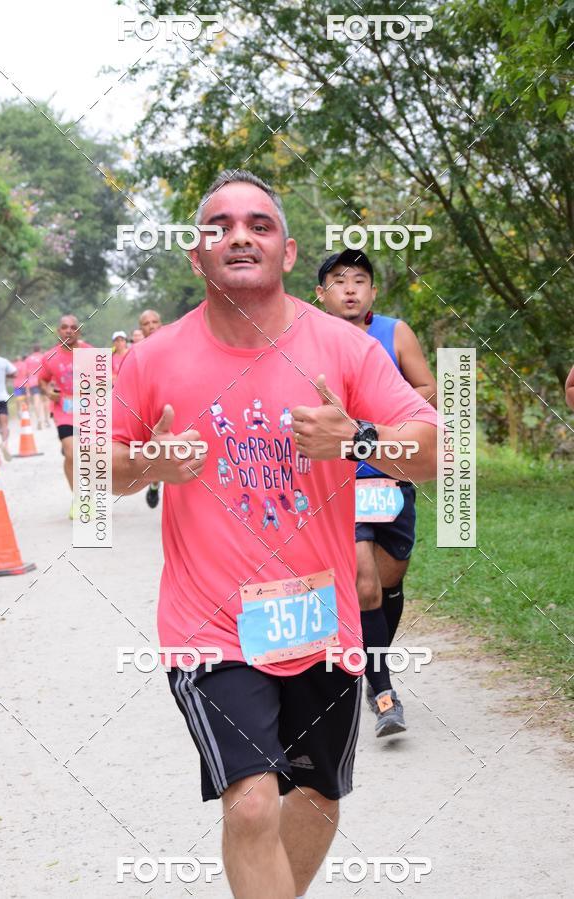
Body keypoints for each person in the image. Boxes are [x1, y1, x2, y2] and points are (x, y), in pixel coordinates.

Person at [112, 170, 437, 899]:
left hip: (319, 619)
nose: (239, 235)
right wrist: (143, 462)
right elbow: (91, 473)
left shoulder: (347, 349)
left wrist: (359, 437)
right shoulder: (153, 356)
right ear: (196, 255)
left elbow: (438, 448)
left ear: (287, 252)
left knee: (318, 797)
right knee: (253, 799)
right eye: (219, 225)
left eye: (259, 225)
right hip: (211, 625)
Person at [316, 248, 437, 738]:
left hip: (392, 470)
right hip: (341, 478)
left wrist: (382, 416)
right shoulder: (306, 339)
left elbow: (426, 387)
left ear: (372, 291)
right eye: (339, 280)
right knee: (364, 583)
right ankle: (383, 687)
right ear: (321, 293)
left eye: (360, 280)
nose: (350, 288)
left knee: (387, 583)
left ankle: (372, 656)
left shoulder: (395, 332)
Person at [38, 315, 92, 518]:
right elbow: (42, 381)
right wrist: (48, 393)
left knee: (86, 455)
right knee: (71, 453)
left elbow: (108, 379)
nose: (69, 331)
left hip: (89, 411)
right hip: (65, 411)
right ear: (58, 331)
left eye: (73, 327)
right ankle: (79, 499)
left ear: (79, 331)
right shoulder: (50, 357)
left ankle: (88, 492)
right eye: (64, 327)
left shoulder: (90, 352)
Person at [137, 309, 163, 508]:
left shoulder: (172, 346)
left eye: (155, 321)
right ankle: (154, 484)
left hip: (171, 404)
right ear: (141, 328)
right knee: (156, 450)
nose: (152, 326)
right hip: (148, 407)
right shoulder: (137, 353)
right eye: (147, 323)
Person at [25, 344, 50, 429]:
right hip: (43, 381)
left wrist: (27, 387)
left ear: (33, 350)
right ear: (40, 349)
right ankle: (46, 420)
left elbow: (26, 373)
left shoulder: (28, 359)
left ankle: (39, 419)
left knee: (36, 401)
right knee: (45, 400)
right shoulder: (44, 357)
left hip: (33, 382)